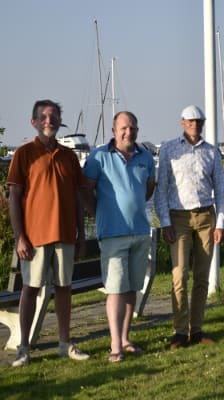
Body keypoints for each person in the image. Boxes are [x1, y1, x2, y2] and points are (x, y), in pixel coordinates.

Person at [7, 99, 90, 367]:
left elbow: (78, 198)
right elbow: (14, 197)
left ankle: (64, 343)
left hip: (66, 234)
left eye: (53, 116)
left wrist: (81, 233)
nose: (48, 120)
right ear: (34, 121)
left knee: (64, 289)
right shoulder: (23, 154)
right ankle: (24, 347)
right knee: (30, 290)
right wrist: (20, 236)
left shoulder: (68, 156)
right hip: (34, 237)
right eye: (43, 116)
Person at [154, 105, 224, 349]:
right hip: (178, 217)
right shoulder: (169, 149)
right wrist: (165, 222)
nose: (195, 125)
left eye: (199, 121)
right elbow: (161, 189)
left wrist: (221, 223)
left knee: (201, 277)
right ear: (182, 122)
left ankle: (196, 330)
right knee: (179, 276)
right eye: (191, 121)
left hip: (206, 216)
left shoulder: (211, 152)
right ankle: (179, 331)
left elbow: (220, 189)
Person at [83, 111, 156, 362]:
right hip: (112, 234)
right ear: (114, 130)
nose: (129, 132)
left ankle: (126, 338)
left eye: (133, 128)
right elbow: (85, 191)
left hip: (139, 231)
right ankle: (115, 346)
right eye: (124, 128)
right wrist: (99, 213)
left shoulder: (145, 157)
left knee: (131, 289)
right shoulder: (99, 157)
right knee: (115, 289)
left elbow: (148, 189)